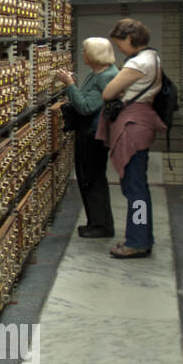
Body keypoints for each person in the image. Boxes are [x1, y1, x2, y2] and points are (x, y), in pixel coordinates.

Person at [97, 17, 167, 259]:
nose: (119, 49)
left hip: (133, 126)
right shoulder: (153, 57)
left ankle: (137, 241)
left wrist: (120, 89)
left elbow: (108, 92)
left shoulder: (138, 63)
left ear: (130, 38)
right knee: (137, 187)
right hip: (142, 121)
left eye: (119, 44)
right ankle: (141, 236)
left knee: (135, 188)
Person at [56, 37, 118, 238]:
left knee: (92, 178)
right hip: (89, 132)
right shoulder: (98, 73)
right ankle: (95, 222)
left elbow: (85, 107)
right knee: (88, 178)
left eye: (84, 51)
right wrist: (72, 85)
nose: (82, 54)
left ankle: (102, 226)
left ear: (94, 54)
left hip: (94, 135)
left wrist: (70, 84)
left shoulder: (106, 76)